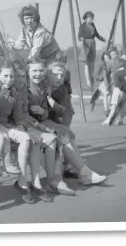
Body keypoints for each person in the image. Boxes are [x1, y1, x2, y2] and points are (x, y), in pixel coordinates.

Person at [0, 62, 48, 203]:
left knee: (32, 139)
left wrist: (22, 126)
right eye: (5, 76)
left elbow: (19, 115)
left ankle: (30, 182)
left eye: (11, 76)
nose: (9, 79)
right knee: (23, 139)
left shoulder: (14, 93)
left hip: (7, 125)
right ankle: (21, 179)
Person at [27, 58, 107, 189]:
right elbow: (24, 112)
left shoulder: (49, 87)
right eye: (35, 71)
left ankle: (82, 171)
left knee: (65, 132)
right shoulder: (28, 87)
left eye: (41, 71)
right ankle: (79, 172)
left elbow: (61, 112)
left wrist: (46, 108)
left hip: (49, 119)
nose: (38, 73)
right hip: (31, 123)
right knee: (60, 134)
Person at [78, 11, 106, 89]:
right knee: (87, 63)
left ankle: (91, 78)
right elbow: (79, 35)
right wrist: (81, 38)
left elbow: (97, 34)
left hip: (92, 43)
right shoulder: (82, 26)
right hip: (86, 44)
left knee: (92, 63)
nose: (92, 20)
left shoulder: (93, 25)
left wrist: (103, 39)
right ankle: (88, 80)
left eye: (92, 19)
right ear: (86, 18)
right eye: (90, 19)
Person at [90, 51, 112, 115]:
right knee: (106, 94)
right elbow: (96, 75)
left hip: (112, 82)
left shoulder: (113, 64)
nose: (106, 60)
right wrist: (103, 77)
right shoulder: (101, 64)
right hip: (103, 82)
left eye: (108, 58)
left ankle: (110, 109)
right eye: (105, 58)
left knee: (109, 95)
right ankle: (106, 110)